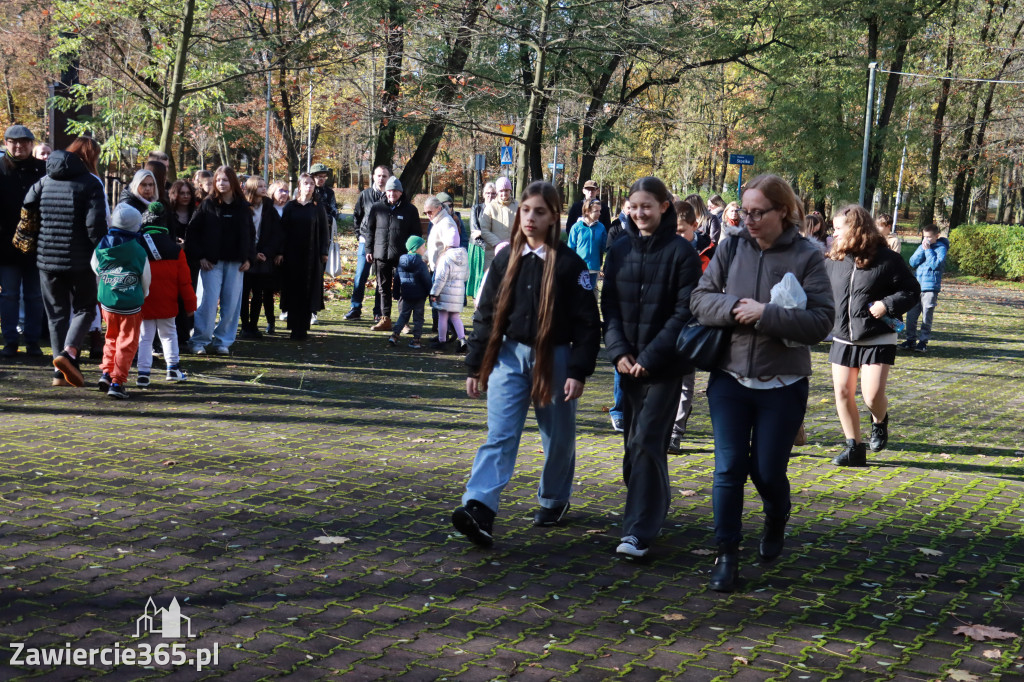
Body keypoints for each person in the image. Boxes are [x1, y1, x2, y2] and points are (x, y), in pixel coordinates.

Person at [690, 174, 834, 592]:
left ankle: (776, 517)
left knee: (767, 471)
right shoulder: (731, 244)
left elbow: (823, 321)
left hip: (784, 383)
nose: (747, 219)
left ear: (782, 212)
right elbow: (699, 298)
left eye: (758, 213)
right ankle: (726, 555)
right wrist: (735, 306)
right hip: (729, 377)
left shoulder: (808, 255)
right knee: (729, 468)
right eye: (745, 211)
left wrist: (767, 314)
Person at [452, 181, 601, 547]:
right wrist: (476, 365)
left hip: (556, 358)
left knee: (558, 437)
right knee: (500, 435)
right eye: (526, 210)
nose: (530, 218)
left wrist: (579, 371)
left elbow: (588, 323)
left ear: (554, 217)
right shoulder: (506, 258)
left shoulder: (569, 264)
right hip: (508, 357)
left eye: (539, 211)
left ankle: (553, 498)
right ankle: (479, 507)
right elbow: (485, 313)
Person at [602, 177, 703, 558]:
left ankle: (638, 530)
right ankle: (650, 504)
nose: (640, 212)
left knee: (646, 441)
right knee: (635, 446)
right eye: (634, 206)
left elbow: (684, 312)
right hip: (626, 365)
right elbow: (609, 306)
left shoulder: (682, 253)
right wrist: (619, 353)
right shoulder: (619, 250)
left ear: (664, 207)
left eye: (648, 205)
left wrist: (650, 357)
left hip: (664, 366)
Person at [825, 204, 920, 467]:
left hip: (877, 336)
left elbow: (912, 291)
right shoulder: (834, 259)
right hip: (843, 337)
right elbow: (818, 291)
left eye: (838, 229)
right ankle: (854, 447)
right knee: (843, 393)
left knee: (871, 395)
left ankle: (879, 421)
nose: (834, 235)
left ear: (855, 229)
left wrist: (886, 305)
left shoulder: (888, 260)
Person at [25, 141, 109, 387]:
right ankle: (69, 353)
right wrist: (103, 253)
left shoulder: (44, 181)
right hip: (80, 261)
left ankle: (58, 374)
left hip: (46, 259)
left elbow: (27, 209)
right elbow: (95, 226)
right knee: (85, 309)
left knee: (56, 315)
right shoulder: (91, 183)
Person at [185, 166, 255, 355]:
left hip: (236, 263)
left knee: (231, 304)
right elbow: (192, 232)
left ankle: (223, 341)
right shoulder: (207, 204)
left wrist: (249, 257)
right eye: (218, 180)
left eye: (225, 180)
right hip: (211, 262)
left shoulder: (243, 207)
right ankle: (199, 341)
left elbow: (250, 234)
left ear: (233, 182)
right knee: (207, 303)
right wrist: (200, 256)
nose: (221, 184)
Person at [667, 199, 714, 455]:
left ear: (694, 226)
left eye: (680, 231)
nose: (676, 236)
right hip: (666, 323)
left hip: (693, 325)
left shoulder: (710, 250)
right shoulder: (664, 249)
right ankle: (663, 426)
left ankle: (676, 432)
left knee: (686, 382)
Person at [91, 204, 151, 399]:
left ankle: (106, 372)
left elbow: (95, 266)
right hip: (130, 305)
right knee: (127, 343)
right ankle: (118, 382)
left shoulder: (103, 244)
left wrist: (106, 281)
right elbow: (145, 277)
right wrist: (143, 293)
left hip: (108, 302)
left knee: (110, 337)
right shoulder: (138, 250)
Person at [0, 124, 47, 359]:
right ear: (6, 143)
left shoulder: (43, 169)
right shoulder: (0, 168)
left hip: (38, 244)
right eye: (13, 141)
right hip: (5, 244)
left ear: (31, 144)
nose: (18, 146)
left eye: (24, 142)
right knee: (8, 294)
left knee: (35, 295)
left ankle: (32, 341)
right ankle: (10, 340)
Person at [135, 210, 196, 386]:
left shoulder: (138, 248)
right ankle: (173, 369)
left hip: (144, 301)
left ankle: (143, 373)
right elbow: (185, 282)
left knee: (145, 337)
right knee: (169, 334)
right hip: (168, 302)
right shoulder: (176, 250)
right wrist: (191, 306)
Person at [364, 176, 421, 332]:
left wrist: (413, 253)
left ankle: (404, 322)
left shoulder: (410, 210)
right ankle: (385, 319)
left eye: (395, 191)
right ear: (385, 192)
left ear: (401, 192)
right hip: (380, 255)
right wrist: (368, 250)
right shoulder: (377, 207)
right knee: (383, 288)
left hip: (402, 257)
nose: (392, 194)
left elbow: (416, 234)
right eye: (389, 190)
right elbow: (370, 231)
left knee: (403, 288)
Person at [278, 173, 329, 341]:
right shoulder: (290, 206)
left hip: (311, 255)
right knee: (293, 289)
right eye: (306, 183)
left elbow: (324, 231)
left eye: (311, 184)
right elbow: (282, 231)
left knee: (308, 289)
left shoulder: (317, 207)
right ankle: (293, 327)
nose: (309, 187)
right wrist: (280, 252)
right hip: (292, 255)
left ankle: (304, 327)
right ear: (299, 186)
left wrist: (324, 252)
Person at [239, 176, 282, 339]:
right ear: (251, 188)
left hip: (264, 256)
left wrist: (267, 252)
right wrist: (251, 253)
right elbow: (241, 233)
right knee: (244, 293)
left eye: (265, 186)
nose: (264, 189)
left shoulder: (269, 206)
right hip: (246, 255)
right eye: (260, 186)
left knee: (258, 293)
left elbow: (276, 232)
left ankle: (254, 325)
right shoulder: (243, 206)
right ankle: (245, 325)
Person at [345, 165, 390, 321]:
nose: (381, 179)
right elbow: (357, 215)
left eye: (384, 176)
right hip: (366, 242)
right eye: (378, 175)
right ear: (373, 176)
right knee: (360, 276)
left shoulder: (391, 196)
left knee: (381, 278)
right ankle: (355, 308)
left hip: (383, 243)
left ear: (389, 178)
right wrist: (360, 235)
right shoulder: (365, 195)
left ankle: (378, 311)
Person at [900, 224, 948, 353]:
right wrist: (922, 249)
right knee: (911, 316)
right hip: (917, 286)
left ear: (936, 236)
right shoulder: (923, 246)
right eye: (924, 236)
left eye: (929, 237)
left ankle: (923, 342)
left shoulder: (941, 248)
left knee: (927, 316)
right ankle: (910, 340)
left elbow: (936, 265)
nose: (926, 239)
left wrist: (928, 250)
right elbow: (912, 262)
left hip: (930, 287)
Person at [390, 236, 432, 349]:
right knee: (418, 318)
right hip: (420, 296)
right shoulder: (421, 264)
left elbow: (397, 278)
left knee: (403, 315)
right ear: (416, 248)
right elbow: (426, 280)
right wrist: (431, 293)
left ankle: (394, 335)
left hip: (406, 294)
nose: (425, 249)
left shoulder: (402, 261)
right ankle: (416, 340)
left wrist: (396, 293)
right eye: (423, 246)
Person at [428, 236, 469, 352]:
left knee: (442, 316)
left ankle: (442, 341)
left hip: (445, 292)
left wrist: (434, 293)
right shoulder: (464, 256)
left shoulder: (445, 257)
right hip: (459, 291)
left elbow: (440, 278)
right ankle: (462, 340)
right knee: (455, 316)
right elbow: (466, 276)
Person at [566, 198, 607, 291]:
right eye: (596, 211)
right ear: (587, 211)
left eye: (600, 211)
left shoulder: (601, 227)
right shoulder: (576, 227)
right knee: (578, 295)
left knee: (591, 295)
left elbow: (604, 247)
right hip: (579, 268)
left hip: (594, 267)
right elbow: (571, 248)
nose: (599, 213)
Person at [478, 176, 518, 271]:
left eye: (506, 190)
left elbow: (522, 229)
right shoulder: (490, 207)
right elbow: (485, 230)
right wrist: (499, 244)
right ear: (497, 192)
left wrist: (512, 241)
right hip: (493, 253)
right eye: (501, 191)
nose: (504, 193)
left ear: (510, 191)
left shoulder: (517, 206)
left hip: (512, 251)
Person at [467, 182, 497, 298]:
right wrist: (486, 244)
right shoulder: (476, 208)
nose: (490, 196)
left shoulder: (499, 211)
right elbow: (474, 232)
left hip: (493, 248)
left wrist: (482, 233)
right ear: (483, 194)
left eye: (493, 193)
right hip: (478, 248)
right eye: (488, 193)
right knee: (479, 277)